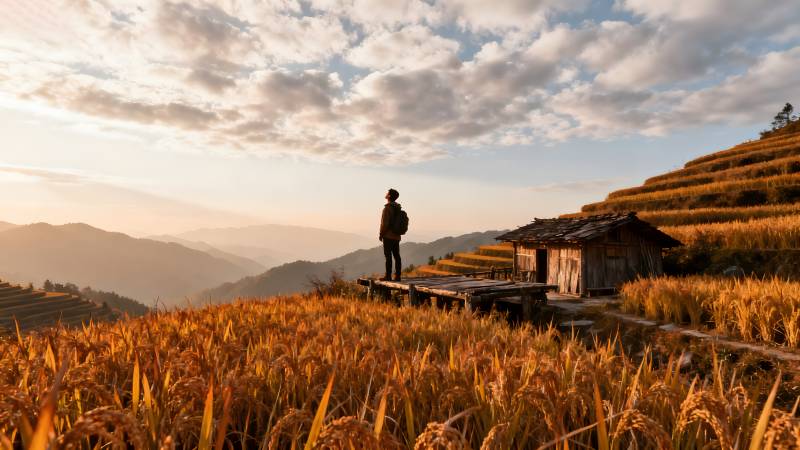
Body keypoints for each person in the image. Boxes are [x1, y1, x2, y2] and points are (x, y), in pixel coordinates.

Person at [379, 188, 402, 281]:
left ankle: (388, 276)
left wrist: (381, 234)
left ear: (389, 196)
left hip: (388, 236)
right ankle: (397, 276)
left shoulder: (387, 208)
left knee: (388, 256)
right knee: (397, 256)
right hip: (397, 236)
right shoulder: (398, 208)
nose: (386, 194)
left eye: (387, 193)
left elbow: (384, 224)